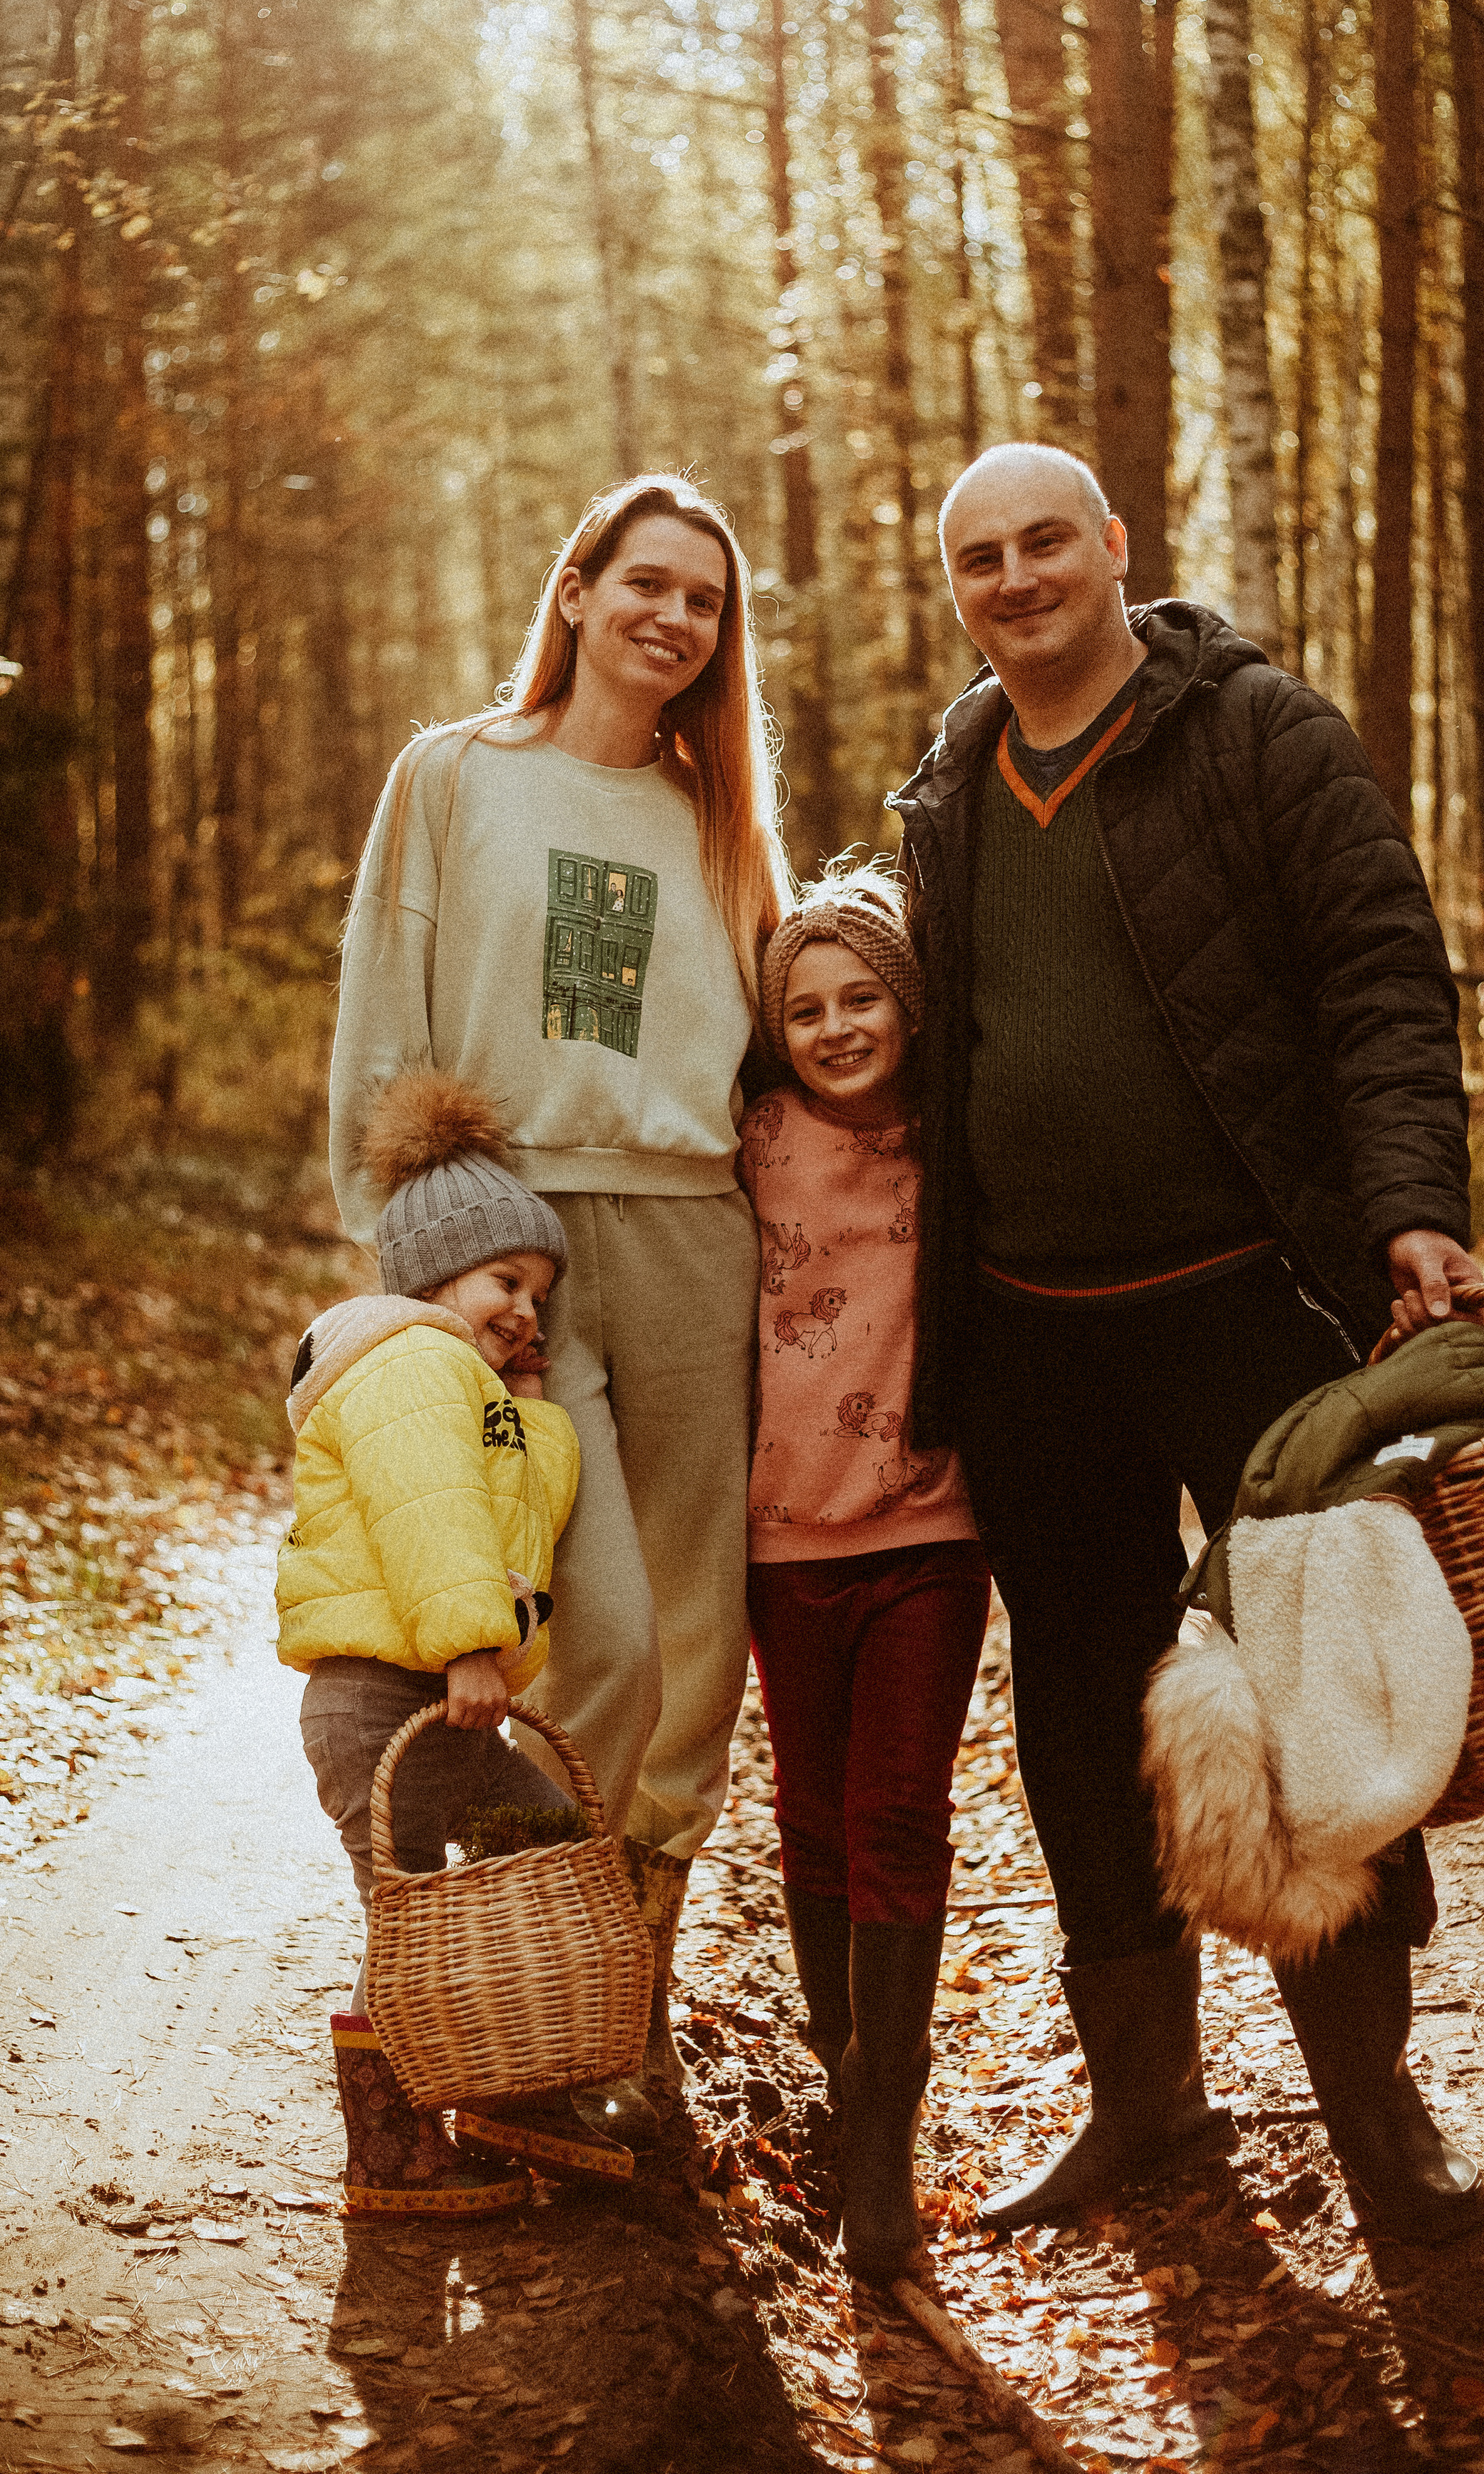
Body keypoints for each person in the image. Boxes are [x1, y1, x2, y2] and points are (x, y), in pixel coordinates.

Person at [890, 441, 1484, 2242]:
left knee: (1319, 1697)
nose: (1016, 579)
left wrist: (1407, 1201)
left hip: (1251, 1309)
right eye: (980, 558)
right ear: (959, 586)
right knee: (1079, 1717)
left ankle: (1376, 2114)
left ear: (1114, 549)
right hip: (1031, 1342)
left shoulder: (1255, 733)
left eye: (1044, 542)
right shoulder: (947, 784)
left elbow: (1379, 968)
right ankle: (1146, 2109)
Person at [327, 474, 788, 2143]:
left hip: (687, 1237)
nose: (675, 619)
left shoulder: (718, 815)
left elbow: (780, 1062)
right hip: (504, 1245)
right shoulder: (454, 778)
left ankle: (615, 2001)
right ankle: (494, 1963)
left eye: (706, 602)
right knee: (574, 1627)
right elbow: (388, 1020)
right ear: (578, 590)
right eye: (645, 584)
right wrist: (419, 1267)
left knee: (691, 1637)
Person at [285, 1070, 637, 2212]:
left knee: (536, 1837)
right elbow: (431, 1511)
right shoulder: (409, 1368)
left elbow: (514, 1509)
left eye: (541, 1293)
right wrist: (472, 1647)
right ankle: (388, 2147)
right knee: (415, 1923)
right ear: (437, 1273)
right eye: (506, 1283)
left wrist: (529, 1401)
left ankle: (507, 2089)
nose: (528, 1311)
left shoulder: (463, 1382)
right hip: (392, 1696)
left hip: (428, 1695)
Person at [738, 867, 990, 2285]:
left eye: (862, 999)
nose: (838, 1027)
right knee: (809, 1822)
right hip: (782, 1539)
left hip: (927, 1535)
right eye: (807, 1008)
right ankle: (844, 2095)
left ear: (906, 1003)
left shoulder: (953, 1141)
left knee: (896, 1813)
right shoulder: (752, 1138)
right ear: (776, 1029)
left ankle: (883, 2148)